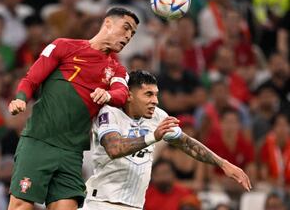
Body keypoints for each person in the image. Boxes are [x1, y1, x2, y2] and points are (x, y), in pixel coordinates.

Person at [7, 7, 139, 210]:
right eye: (126, 28)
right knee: (21, 205)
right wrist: (20, 99)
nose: (128, 36)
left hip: (72, 152)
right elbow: (31, 79)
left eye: (133, 33)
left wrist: (108, 95)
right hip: (39, 141)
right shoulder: (63, 46)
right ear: (108, 23)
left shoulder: (117, 69)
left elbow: (122, 94)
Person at [82, 70, 251, 210]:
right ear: (130, 95)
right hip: (101, 203)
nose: (154, 101)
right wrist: (153, 136)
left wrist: (223, 164)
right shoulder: (109, 112)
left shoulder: (158, 116)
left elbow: (186, 143)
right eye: (148, 94)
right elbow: (114, 148)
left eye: (156, 95)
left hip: (135, 205)